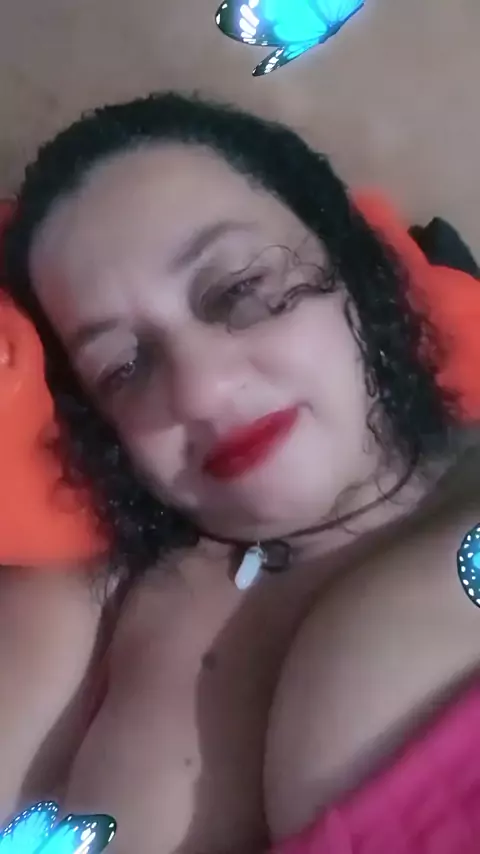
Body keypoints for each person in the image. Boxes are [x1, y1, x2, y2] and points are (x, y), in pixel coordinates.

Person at [2, 91, 480, 853]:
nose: (199, 392)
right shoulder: (82, 609)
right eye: (123, 366)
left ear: (357, 265)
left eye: (238, 292)